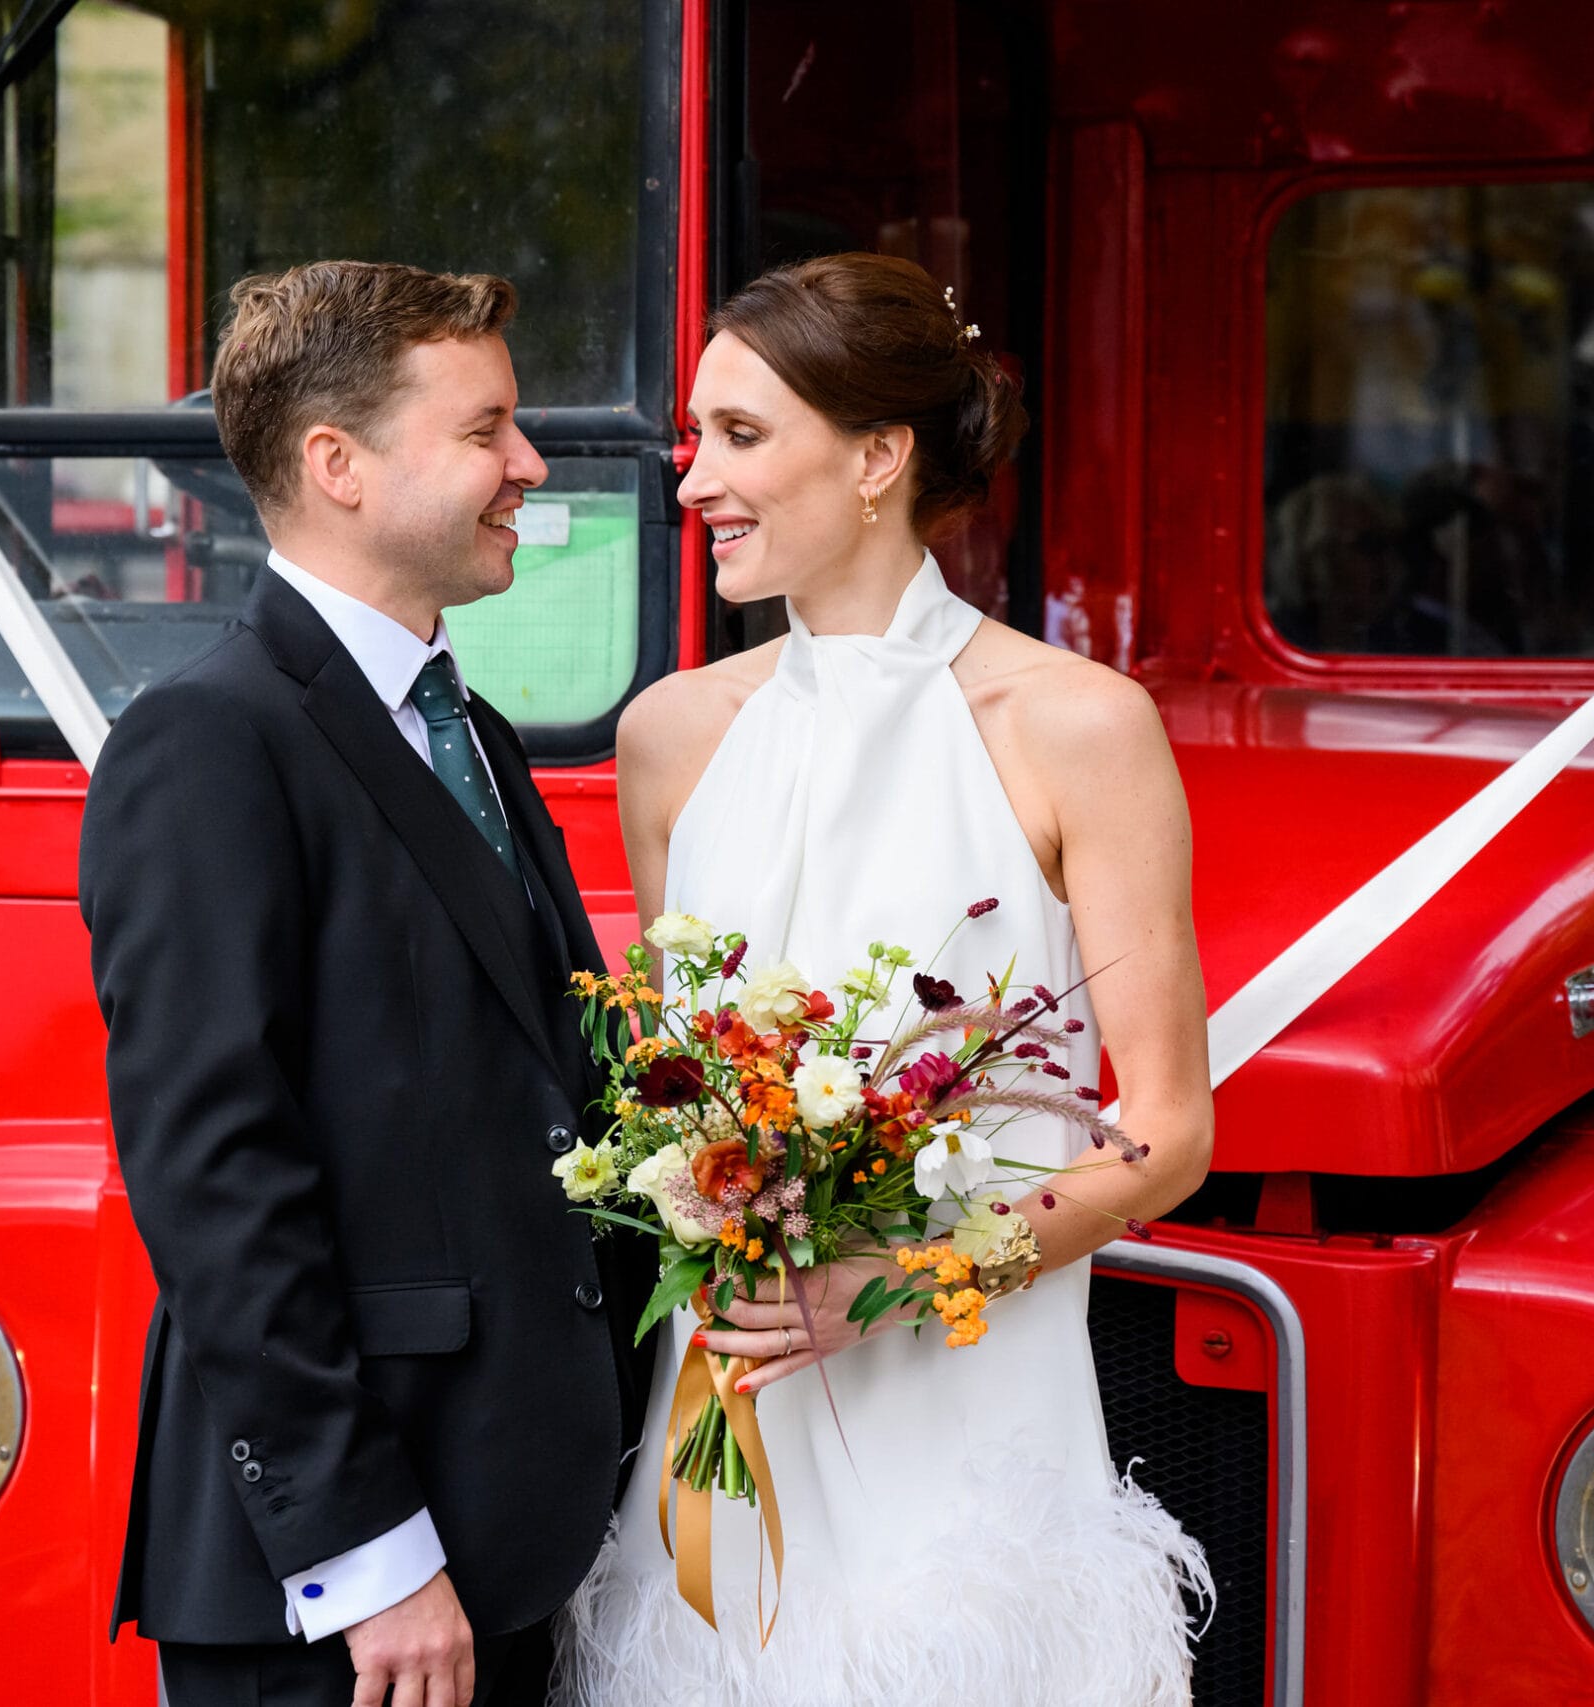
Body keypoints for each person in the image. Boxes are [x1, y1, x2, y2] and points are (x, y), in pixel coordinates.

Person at [551, 253, 1216, 1705]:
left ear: (876, 456)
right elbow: (685, 1095)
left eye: (737, 437)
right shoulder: (669, 736)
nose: (690, 487)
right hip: (729, 1420)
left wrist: (900, 1278)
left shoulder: (1081, 726)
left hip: (966, 1421)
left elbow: (1166, 1132)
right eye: (690, 440)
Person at [79, 260, 659, 1707]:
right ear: (336, 464)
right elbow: (217, 1181)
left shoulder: (475, 735)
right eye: (485, 432)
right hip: (354, 1594)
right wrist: (368, 1555)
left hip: (517, 1537)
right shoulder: (207, 741)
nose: (529, 465)